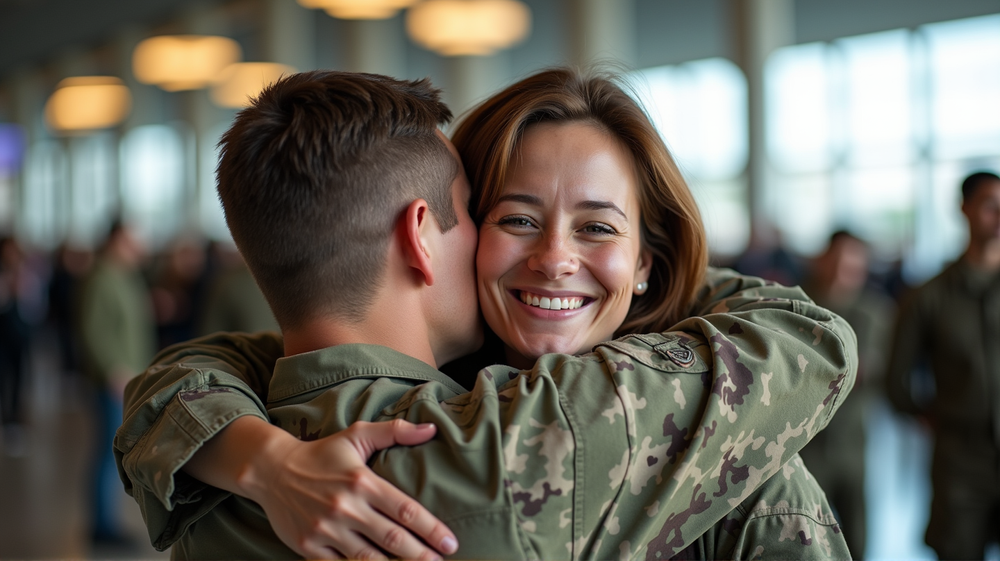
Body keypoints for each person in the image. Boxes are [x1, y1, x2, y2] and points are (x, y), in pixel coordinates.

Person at [116, 70, 856, 559]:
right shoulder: (554, 432)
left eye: (597, 228)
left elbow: (193, 370)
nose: (554, 258)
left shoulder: (228, 452)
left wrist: (261, 461)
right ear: (421, 236)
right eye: (503, 217)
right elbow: (808, 339)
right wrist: (637, 271)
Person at [886, 170, 1000, 559]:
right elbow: (896, 380)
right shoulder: (929, 296)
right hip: (960, 461)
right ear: (964, 209)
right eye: (989, 205)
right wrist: (930, 417)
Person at [800, 230, 896, 558]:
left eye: (853, 264)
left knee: (857, 531)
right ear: (822, 260)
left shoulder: (875, 312)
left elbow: (885, 371)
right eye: (837, 261)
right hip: (804, 442)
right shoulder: (799, 307)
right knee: (804, 530)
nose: (843, 272)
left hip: (854, 439)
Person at [80, 221, 156, 542]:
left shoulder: (126, 276)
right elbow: (93, 331)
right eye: (130, 240)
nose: (136, 247)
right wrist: (112, 369)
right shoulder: (101, 279)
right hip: (114, 382)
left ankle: (106, 520)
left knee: (114, 451)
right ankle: (102, 525)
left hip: (129, 378)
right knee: (108, 451)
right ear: (114, 241)